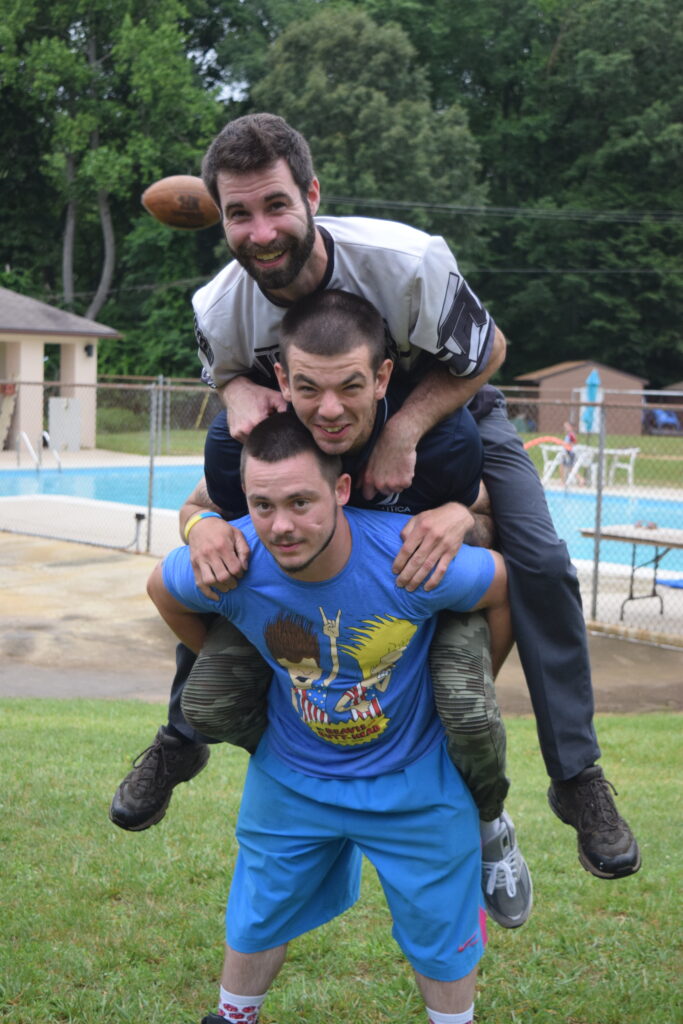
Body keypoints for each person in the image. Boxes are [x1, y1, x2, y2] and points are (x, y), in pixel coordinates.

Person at [112, 112, 639, 881]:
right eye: (238, 214)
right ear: (218, 216)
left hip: (445, 408)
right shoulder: (218, 306)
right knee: (231, 538)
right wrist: (231, 393)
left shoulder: (405, 262)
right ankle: (180, 735)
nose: (260, 232)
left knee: (541, 557)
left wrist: (408, 429)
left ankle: (575, 776)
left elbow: (487, 352)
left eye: (276, 206)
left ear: (312, 195)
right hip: (308, 417)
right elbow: (224, 376)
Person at [113, 288, 532, 929]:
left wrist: (457, 515)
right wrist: (200, 529)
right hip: (306, 609)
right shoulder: (272, 436)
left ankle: (487, 820)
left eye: (348, 389)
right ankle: (292, 773)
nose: (329, 410)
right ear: (285, 380)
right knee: (209, 700)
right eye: (311, 389)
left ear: (380, 380)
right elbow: (200, 506)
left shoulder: (437, 441)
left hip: (416, 599)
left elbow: (495, 525)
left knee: (466, 705)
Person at [148, 411, 514, 1024]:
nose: (281, 526)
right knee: (256, 911)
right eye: (262, 506)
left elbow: (501, 586)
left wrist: (481, 681)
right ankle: (234, 1016)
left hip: (415, 780)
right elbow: (163, 588)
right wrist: (251, 650)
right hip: (292, 775)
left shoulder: (406, 559)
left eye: (300, 502)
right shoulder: (235, 560)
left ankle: (489, 833)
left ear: (341, 491)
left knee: (443, 932)